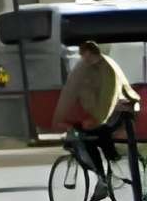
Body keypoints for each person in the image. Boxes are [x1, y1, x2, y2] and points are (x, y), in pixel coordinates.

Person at [55, 39, 138, 189]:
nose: (82, 59)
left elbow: (108, 98)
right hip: (106, 112)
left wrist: (96, 120)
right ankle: (105, 170)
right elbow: (72, 92)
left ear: (89, 53)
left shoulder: (107, 68)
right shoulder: (90, 67)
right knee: (84, 133)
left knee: (89, 136)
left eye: (83, 55)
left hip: (120, 112)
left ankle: (104, 176)